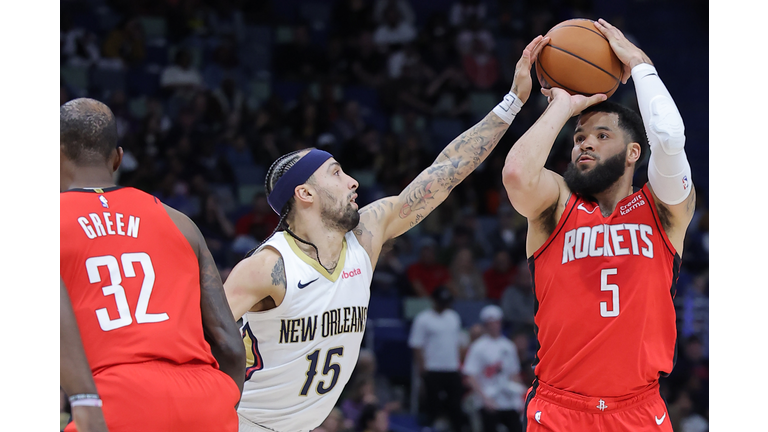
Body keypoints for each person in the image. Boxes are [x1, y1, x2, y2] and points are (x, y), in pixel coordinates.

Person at [223, 35, 550, 432]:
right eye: (337, 173)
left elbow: (446, 171)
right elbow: (188, 341)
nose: (353, 182)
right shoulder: (267, 268)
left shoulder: (366, 235)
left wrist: (513, 101)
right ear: (304, 193)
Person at [501, 19, 696, 431]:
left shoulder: (662, 209)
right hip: (558, 409)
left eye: (601, 135)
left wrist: (640, 65)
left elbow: (669, 137)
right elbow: (517, 175)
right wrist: (563, 105)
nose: (584, 143)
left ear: (632, 153)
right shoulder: (556, 203)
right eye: (578, 138)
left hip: (638, 409)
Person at [60, 98, 245, 432]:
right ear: (117, 158)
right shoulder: (181, 223)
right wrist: (221, 403)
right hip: (204, 400)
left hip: (113, 401)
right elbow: (229, 344)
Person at [408, 287, 466, 432]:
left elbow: (458, 342)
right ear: (433, 301)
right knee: (432, 403)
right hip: (432, 367)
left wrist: (459, 363)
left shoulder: (453, 317)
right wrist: (422, 367)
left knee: (455, 404)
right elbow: (416, 345)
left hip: (451, 367)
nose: (443, 305)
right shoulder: (423, 319)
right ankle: (430, 427)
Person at [462, 305, 525, 432]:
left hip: (507, 400)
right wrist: (484, 399)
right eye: (490, 323)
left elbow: (514, 374)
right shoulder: (478, 347)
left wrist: (519, 399)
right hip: (488, 400)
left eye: (496, 322)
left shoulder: (508, 346)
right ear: (485, 324)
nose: (494, 326)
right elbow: (471, 376)